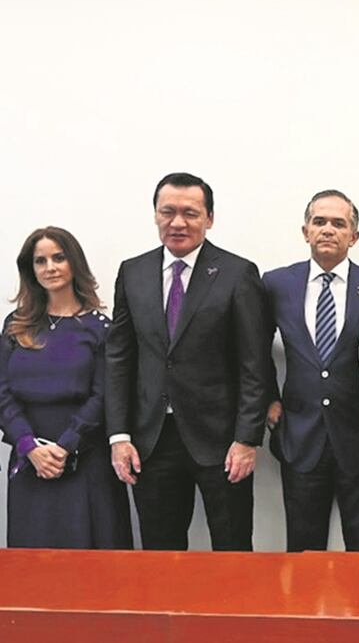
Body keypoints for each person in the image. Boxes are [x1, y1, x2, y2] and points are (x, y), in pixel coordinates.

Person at [106, 172, 270, 551]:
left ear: (209, 218)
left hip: (221, 442)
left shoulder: (237, 273)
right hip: (150, 440)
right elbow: (119, 357)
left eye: (190, 213)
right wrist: (119, 436)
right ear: (155, 215)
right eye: (168, 212)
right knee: (161, 555)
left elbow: (254, 364)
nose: (177, 222)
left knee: (232, 552)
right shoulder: (133, 272)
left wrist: (247, 438)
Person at [263, 190, 359, 552]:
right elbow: (253, 350)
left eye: (338, 223)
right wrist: (268, 397)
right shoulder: (276, 284)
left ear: (354, 236)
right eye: (319, 222)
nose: (328, 230)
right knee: (303, 553)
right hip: (300, 437)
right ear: (305, 231)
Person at [0, 227, 132, 549]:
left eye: (58, 258)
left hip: (85, 459)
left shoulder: (101, 327)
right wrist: (29, 446)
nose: (50, 267)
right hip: (30, 459)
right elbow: (2, 391)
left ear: (74, 263)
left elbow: (106, 394)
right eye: (40, 261)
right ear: (30, 270)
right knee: (34, 567)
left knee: (92, 561)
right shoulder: (16, 325)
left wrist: (66, 446)